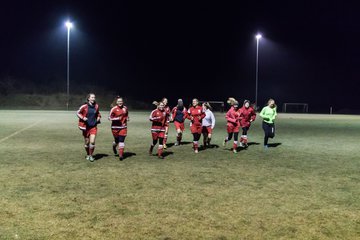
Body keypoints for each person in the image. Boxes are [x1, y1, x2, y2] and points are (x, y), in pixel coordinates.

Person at [76, 93, 101, 162]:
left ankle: (91, 155)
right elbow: (78, 112)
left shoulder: (96, 106)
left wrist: (98, 117)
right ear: (88, 98)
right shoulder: (84, 106)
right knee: (87, 142)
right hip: (85, 127)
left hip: (93, 126)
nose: (93, 99)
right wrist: (83, 117)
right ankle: (88, 154)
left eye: (94, 97)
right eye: (92, 97)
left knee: (92, 142)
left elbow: (98, 113)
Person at [108, 96, 129, 161]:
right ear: (116, 102)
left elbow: (126, 115)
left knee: (121, 141)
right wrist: (116, 119)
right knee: (116, 141)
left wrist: (127, 118)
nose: (120, 102)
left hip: (123, 127)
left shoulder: (125, 108)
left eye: (121, 101)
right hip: (115, 127)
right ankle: (114, 147)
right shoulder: (113, 109)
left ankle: (121, 155)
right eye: (119, 101)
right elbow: (109, 118)